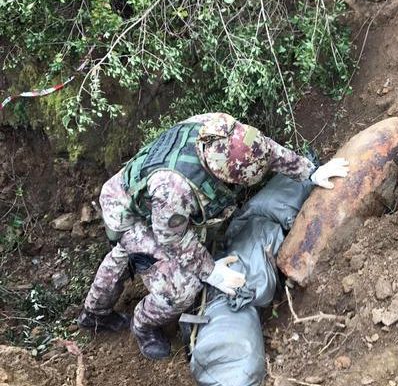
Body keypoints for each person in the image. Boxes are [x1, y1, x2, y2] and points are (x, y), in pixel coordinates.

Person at [77, 112, 349, 359]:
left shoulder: (226, 132)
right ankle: (143, 325)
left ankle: (94, 312)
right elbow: (172, 239)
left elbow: (266, 150)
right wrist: (211, 271)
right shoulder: (175, 189)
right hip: (127, 213)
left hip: (148, 200)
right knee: (183, 287)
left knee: (128, 254)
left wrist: (310, 172)